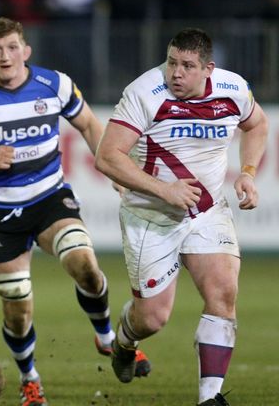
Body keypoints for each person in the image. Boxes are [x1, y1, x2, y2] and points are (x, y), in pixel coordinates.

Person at [0, 17, 150, 406]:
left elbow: (92, 126)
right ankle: (31, 379)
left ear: (26, 50)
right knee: (18, 311)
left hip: (48, 199)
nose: (5, 56)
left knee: (87, 268)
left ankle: (108, 338)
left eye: (12, 47)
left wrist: (113, 168)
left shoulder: (54, 84)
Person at [94, 28, 269, 406]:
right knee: (153, 318)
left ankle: (210, 398)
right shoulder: (144, 92)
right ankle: (124, 342)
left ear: (209, 68)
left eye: (187, 66)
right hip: (151, 216)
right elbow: (107, 157)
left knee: (223, 291)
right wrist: (165, 190)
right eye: (172, 62)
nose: (176, 72)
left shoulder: (233, 89)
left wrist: (248, 172)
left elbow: (256, 124)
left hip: (206, 212)